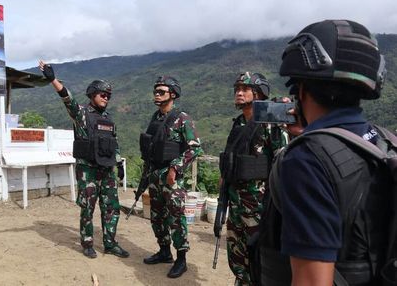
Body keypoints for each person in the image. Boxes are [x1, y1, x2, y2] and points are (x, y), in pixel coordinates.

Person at [257, 19, 393, 285]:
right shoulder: (384, 142)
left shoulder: (306, 160)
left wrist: (310, 145)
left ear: (302, 91)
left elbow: (312, 281)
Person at [38, 60, 129, 259]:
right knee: (87, 207)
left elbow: (114, 143)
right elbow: (67, 99)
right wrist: (53, 79)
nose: (106, 98)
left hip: (106, 170)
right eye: (102, 94)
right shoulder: (81, 114)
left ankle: (110, 243)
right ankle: (87, 243)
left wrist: (119, 163)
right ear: (92, 94)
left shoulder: (108, 118)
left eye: (108, 96)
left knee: (112, 208)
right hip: (88, 170)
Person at [218, 72, 287, 286]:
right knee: (236, 253)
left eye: (244, 89)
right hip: (236, 202)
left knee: (258, 255)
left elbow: (282, 162)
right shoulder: (238, 123)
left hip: (259, 206)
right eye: (237, 88)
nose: (238, 92)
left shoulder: (270, 123)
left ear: (258, 94)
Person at [140, 76, 203, 278]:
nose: (156, 95)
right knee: (156, 217)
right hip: (155, 174)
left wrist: (175, 168)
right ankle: (164, 251)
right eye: (155, 91)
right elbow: (150, 147)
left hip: (171, 177)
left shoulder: (182, 118)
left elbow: (195, 148)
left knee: (175, 217)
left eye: (161, 92)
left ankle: (181, 259)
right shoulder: (155, 118)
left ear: (173, 94)